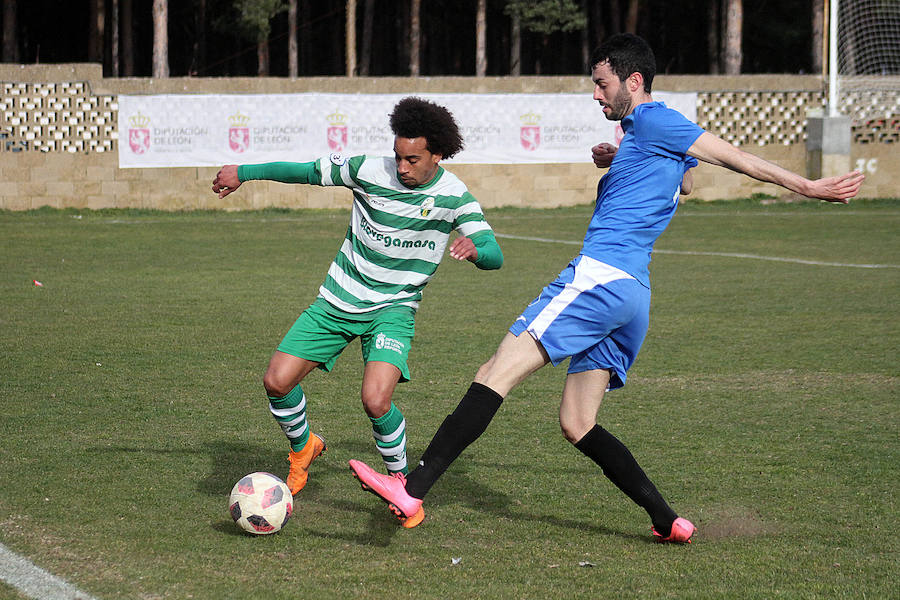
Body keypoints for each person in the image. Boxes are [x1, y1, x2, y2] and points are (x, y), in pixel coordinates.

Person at [348, 34, 864, 540]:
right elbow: (684, 182)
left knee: (495, 371)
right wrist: (619, 158)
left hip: (599, 276)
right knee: (577, 422)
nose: (596, 94)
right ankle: (668, 520)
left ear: (633, 81)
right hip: (632, 295)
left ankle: (413, 487)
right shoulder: (646, 136)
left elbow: (732, 156)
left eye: (602, 84)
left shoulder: (654, 118)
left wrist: (809, 187)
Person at [212, 97, 503, 500]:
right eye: (398, 156)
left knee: (376, 400)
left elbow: (495, 253)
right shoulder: (368, 169)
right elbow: (308, 172)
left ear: (437, 153)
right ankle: (303, 449)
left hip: (393, 309)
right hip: (337, 299)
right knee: (276, 382)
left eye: (413, 160)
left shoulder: (454, 196)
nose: (402, 167)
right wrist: (244, 171)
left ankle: (402, 485)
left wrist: (477, 250)